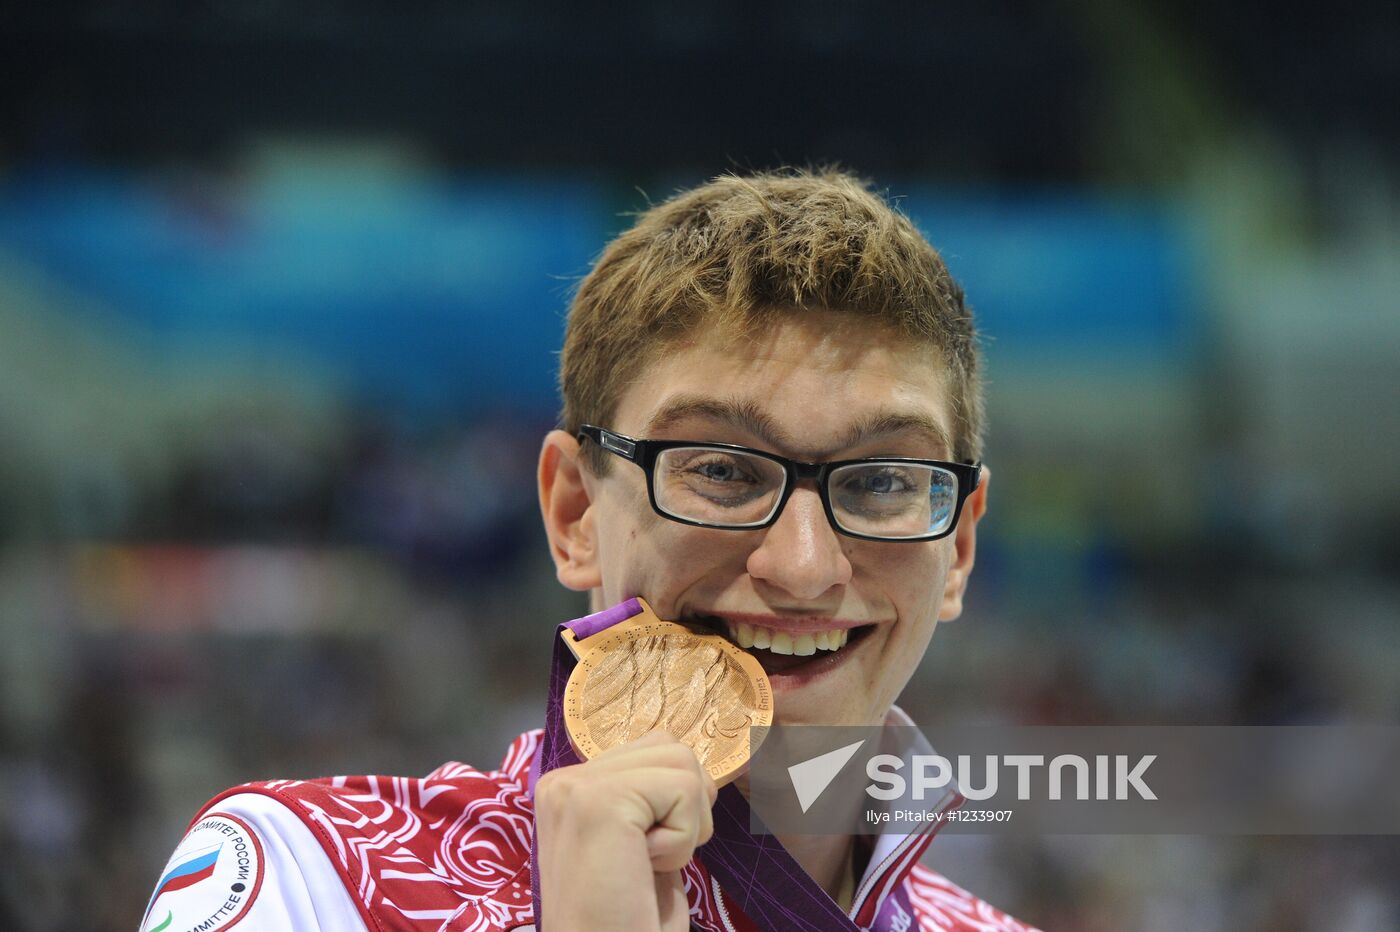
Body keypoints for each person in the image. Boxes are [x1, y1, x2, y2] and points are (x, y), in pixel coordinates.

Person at [139, 170, 1037, 931]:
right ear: (573, 510)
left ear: (958, 544)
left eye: (882, 481)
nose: (803, 567)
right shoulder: (311, 876)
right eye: (722, 469)